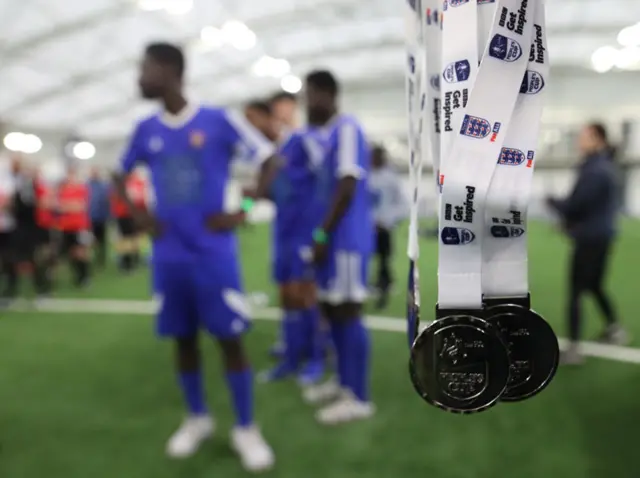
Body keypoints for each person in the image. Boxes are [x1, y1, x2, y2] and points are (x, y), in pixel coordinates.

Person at [113, 42, 277, 471]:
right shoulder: (144, 128)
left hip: (214, 255)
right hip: (168, 257)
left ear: (169, 70)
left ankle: (245, 427)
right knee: (183, 341)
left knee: (230, 341)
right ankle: (197, 418)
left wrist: (243, 210)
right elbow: (119, 174)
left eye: (145, 68)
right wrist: (139, 217)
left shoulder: (217, 120)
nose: (139, 78)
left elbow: (270, 157)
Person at [302, 70, 374, 424]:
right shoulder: (330, 136)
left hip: (344, 242)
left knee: (348, 312)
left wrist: (321, 236)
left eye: (310, 95)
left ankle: (359, 397)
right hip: (333, 241)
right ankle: (344, 382)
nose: (306, 103)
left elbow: (346, 187)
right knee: (332, 312)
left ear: (328, 94)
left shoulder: (347, 128)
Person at [244, 99, 326, 385]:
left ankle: (316, 358)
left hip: (305, 231)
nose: (248, 126)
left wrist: (321, 233)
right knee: (287, 296)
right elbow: (266, 194)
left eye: (252, 119)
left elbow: (326, 181)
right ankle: (291, 357)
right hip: (282, 232)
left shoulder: (303, 141)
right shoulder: (270, 156)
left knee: (306, 295)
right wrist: (246, 201)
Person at [546, 122, 626, 365]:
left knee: (576, 291)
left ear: (597, 138)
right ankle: (615, 328)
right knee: (594, 284)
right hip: (602, 234)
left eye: (583, 137)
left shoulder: (595, 170)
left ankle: (574, 349)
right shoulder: (605, 166)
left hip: (591, 238)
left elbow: (576, 205)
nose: (579, 141)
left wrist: (552, 203)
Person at [369, 145, 406, 309]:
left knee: (384, 258)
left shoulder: (391, 178)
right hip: (367, 227)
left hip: (384, 226)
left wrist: (388, 221)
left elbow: (401, 204)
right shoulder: (365, 176)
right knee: (368, 257)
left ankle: (383, 287)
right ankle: (380, 282)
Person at [8, 161, 51, 298]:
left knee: (37, 260)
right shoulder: (15, 187)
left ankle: (42, 289)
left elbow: (45, 204)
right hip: (18, 229)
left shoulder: (38, 188)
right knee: (13, 260)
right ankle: (11, 290)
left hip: (34, 229)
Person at [57, 165, 92, 288]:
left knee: (82, 253)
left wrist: (68, 206)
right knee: (71, 253)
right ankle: (77, 276)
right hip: (66, 227)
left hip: (79, 226)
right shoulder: (62, 190)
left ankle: (85, 277)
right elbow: (59, 206)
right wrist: (70, 206)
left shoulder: (82, 189)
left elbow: (81, 206)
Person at [111, 168, 147, 272]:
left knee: (136, 237)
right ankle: (126, 262)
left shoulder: (137, 183)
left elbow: (141, 198)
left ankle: (135, 258)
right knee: (125, 239)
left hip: (134, 214)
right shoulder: (118, 185)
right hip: (122, 215)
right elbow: (116, 199)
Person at [0, 159, 16, 300]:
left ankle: (10, 289)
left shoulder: (6, 177)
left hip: (6, 227)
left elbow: (8, 202)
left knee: (7, 259)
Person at [88, 167, 111, 268]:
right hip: (91, 217)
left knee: (102, 239)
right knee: (92, 239)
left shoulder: (104, 185)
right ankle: (95, 256)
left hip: (102, 217)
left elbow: (108, 200)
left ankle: (102, 258)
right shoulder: (87, 185)